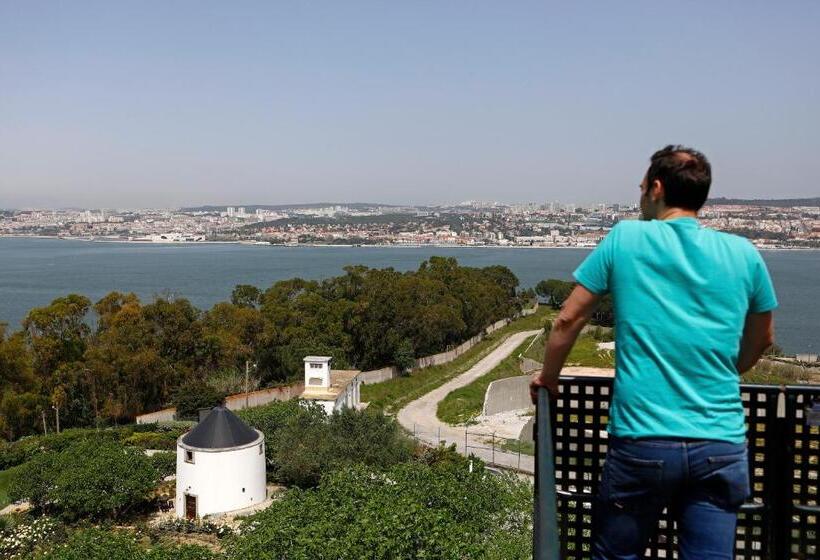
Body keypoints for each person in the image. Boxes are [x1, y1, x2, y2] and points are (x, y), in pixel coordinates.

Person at [530, 145, 777, 559]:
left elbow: (567, 321)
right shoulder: (744, 253)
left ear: (657, 189)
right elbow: (763, 338)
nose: (640, 194)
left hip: (643, 439)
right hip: (720, 441)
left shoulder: (626, 237)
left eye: (642, 186)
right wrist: (729, 370)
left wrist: (549, 379)